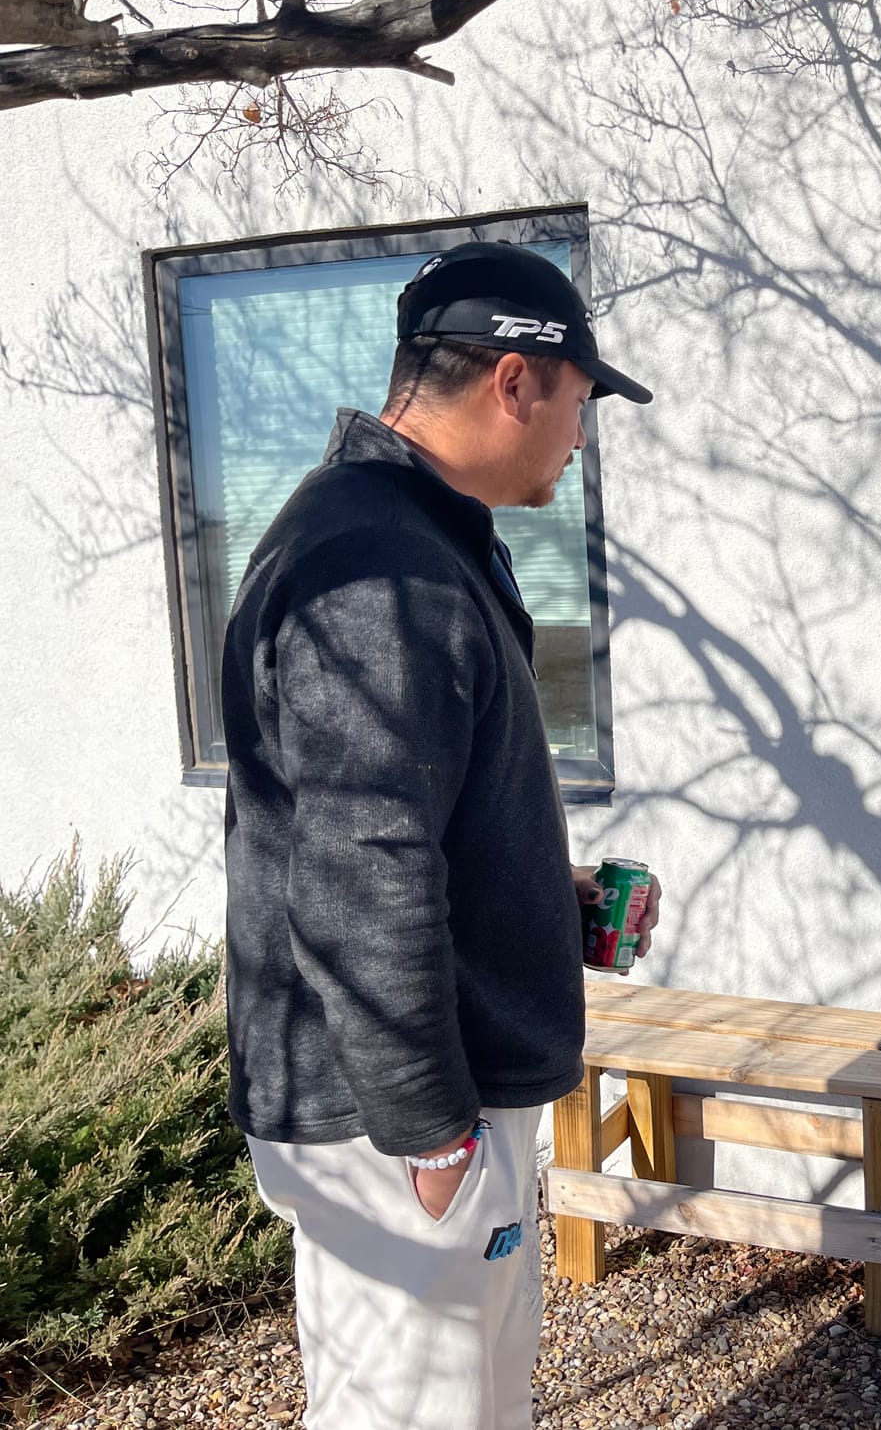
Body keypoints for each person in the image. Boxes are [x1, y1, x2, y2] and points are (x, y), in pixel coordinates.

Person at [220, 241, 657, 1430]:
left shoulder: (404, 536)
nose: (578, 435)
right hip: (400, 1105)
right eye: (577, 403)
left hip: (414, 1087)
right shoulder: (382, 566)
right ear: (515, 381)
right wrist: (425, 1124)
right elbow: (359, 860)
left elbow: (400, 808)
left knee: (460, 1403)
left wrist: (535, 891)